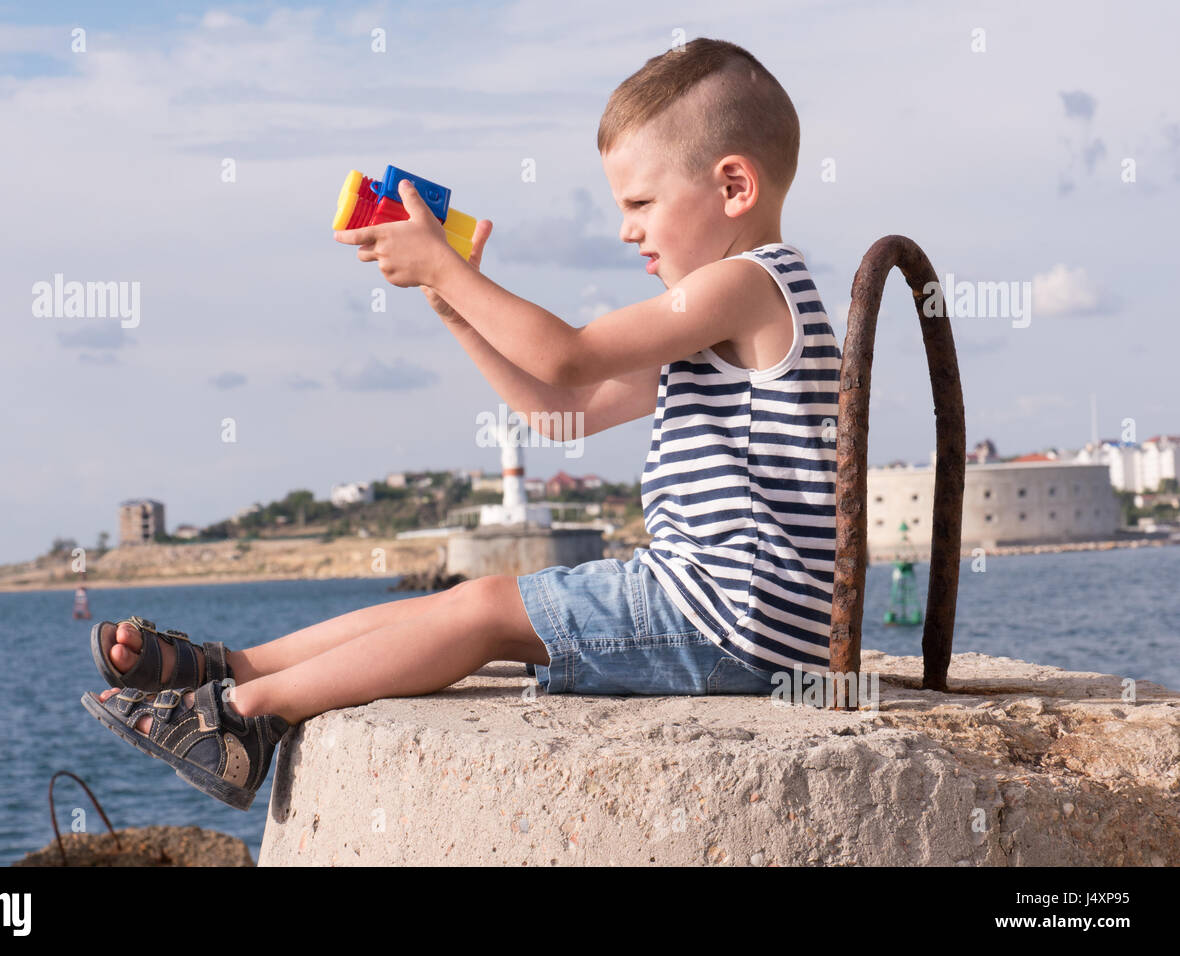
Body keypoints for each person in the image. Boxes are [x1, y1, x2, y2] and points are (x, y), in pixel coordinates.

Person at [82, 37, 841, 811]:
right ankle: (231, 668)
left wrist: (449, 267)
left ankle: (243, 721)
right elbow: (558, 411)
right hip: (721, 608)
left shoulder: (747, 283)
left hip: (731, 618)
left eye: (640, 204)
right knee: (460, 606)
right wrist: (454, 304)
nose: (625, 230)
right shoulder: (723, 310)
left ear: (734, 186)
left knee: (479, 612)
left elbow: (569, 354)